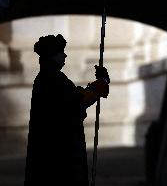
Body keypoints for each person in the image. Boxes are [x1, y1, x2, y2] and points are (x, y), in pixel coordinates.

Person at [24, 34, 109, 186]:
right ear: (52, 55)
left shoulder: (47, 77)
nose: (65, 55)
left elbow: (75, 97)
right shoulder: (53, 79)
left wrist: (97, 85)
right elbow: (78, 101)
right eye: (61, 52)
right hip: (59, 152)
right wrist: (102, 83)